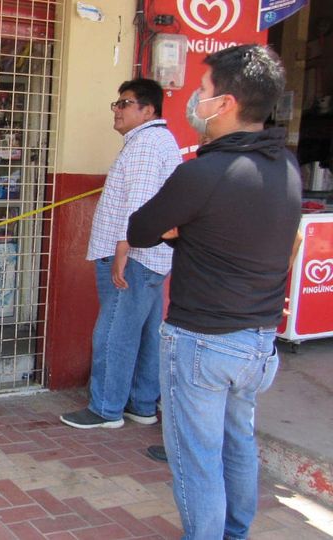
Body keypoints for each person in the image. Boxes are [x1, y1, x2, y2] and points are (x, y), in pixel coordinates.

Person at [127, 45, 301, 539]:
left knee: (196, 455)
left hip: (202, 341)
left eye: (201, 90)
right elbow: (280, 241)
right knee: (237, 441)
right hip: (258, 341)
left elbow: (140, 229)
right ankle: (234, 533)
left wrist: (182, 231)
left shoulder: (202, 174)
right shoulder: (286, 166)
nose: (194, 99)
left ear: (224, 103)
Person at [60, 78, 181, 429]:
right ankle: (142, 405)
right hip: (151, 258)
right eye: (116, 103)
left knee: (114, 332)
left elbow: (139, 206)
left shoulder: (146, 145)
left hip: (135, 258)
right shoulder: (157, 140)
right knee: (145, 333)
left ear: (148, 110)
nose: (117, 110)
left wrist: (122, 252)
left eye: (125, 103)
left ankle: (105, 408)